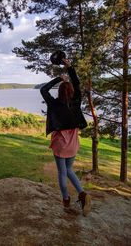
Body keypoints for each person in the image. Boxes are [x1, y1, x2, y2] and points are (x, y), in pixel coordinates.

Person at [40, 58, 91, 216]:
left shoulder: (54, 104)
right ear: (72, 93)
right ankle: (82, 194)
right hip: (73, 143)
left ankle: (66, 200)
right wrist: (69, 67)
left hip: (60, 144)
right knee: (69, 169)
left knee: (62, 172)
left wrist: (58, 79)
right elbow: (76, 83)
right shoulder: (76, 102)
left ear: (60, 92)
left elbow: (43, 90)